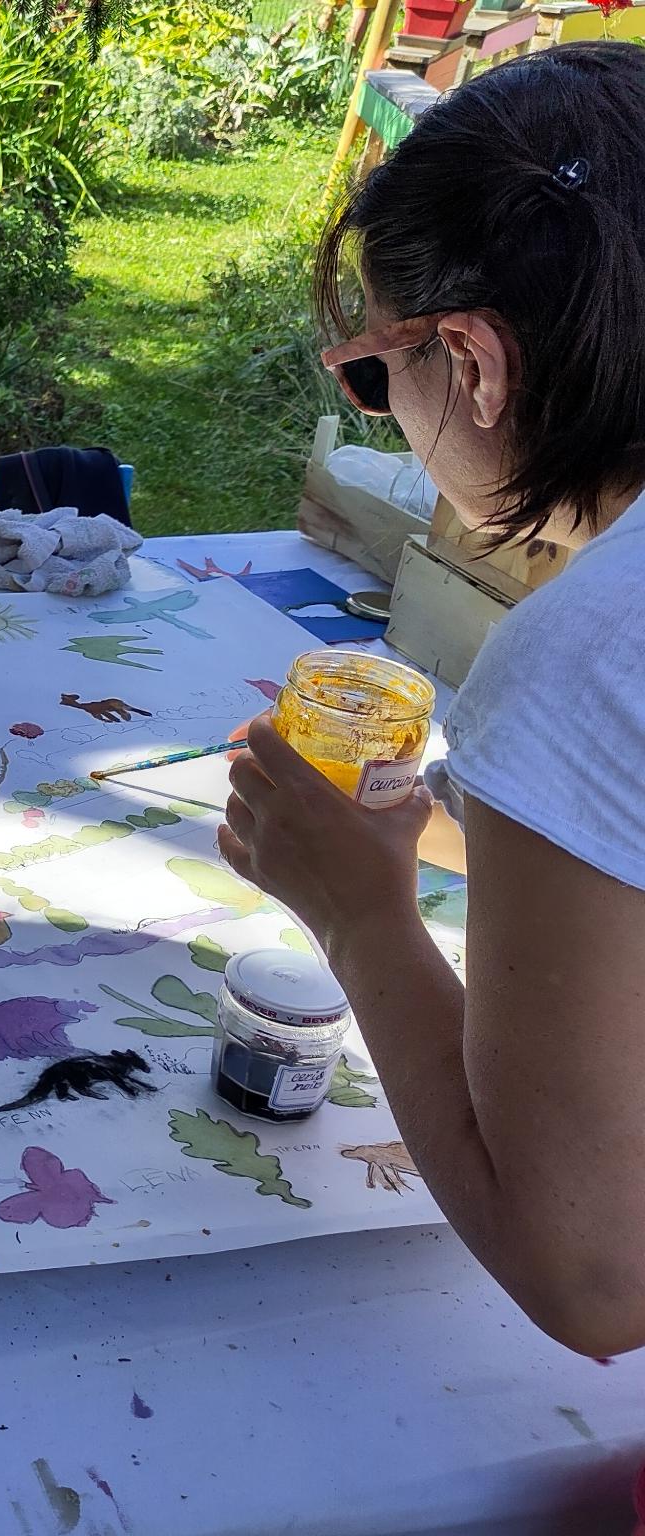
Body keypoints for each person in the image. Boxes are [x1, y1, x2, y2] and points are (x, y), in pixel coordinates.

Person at [224, 42, 645, 1361]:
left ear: (471, 359)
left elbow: (596, 1276)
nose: (380, 412)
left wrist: (358, 913)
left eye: (371, 376)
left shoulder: (595, 648)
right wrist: (456, 823)